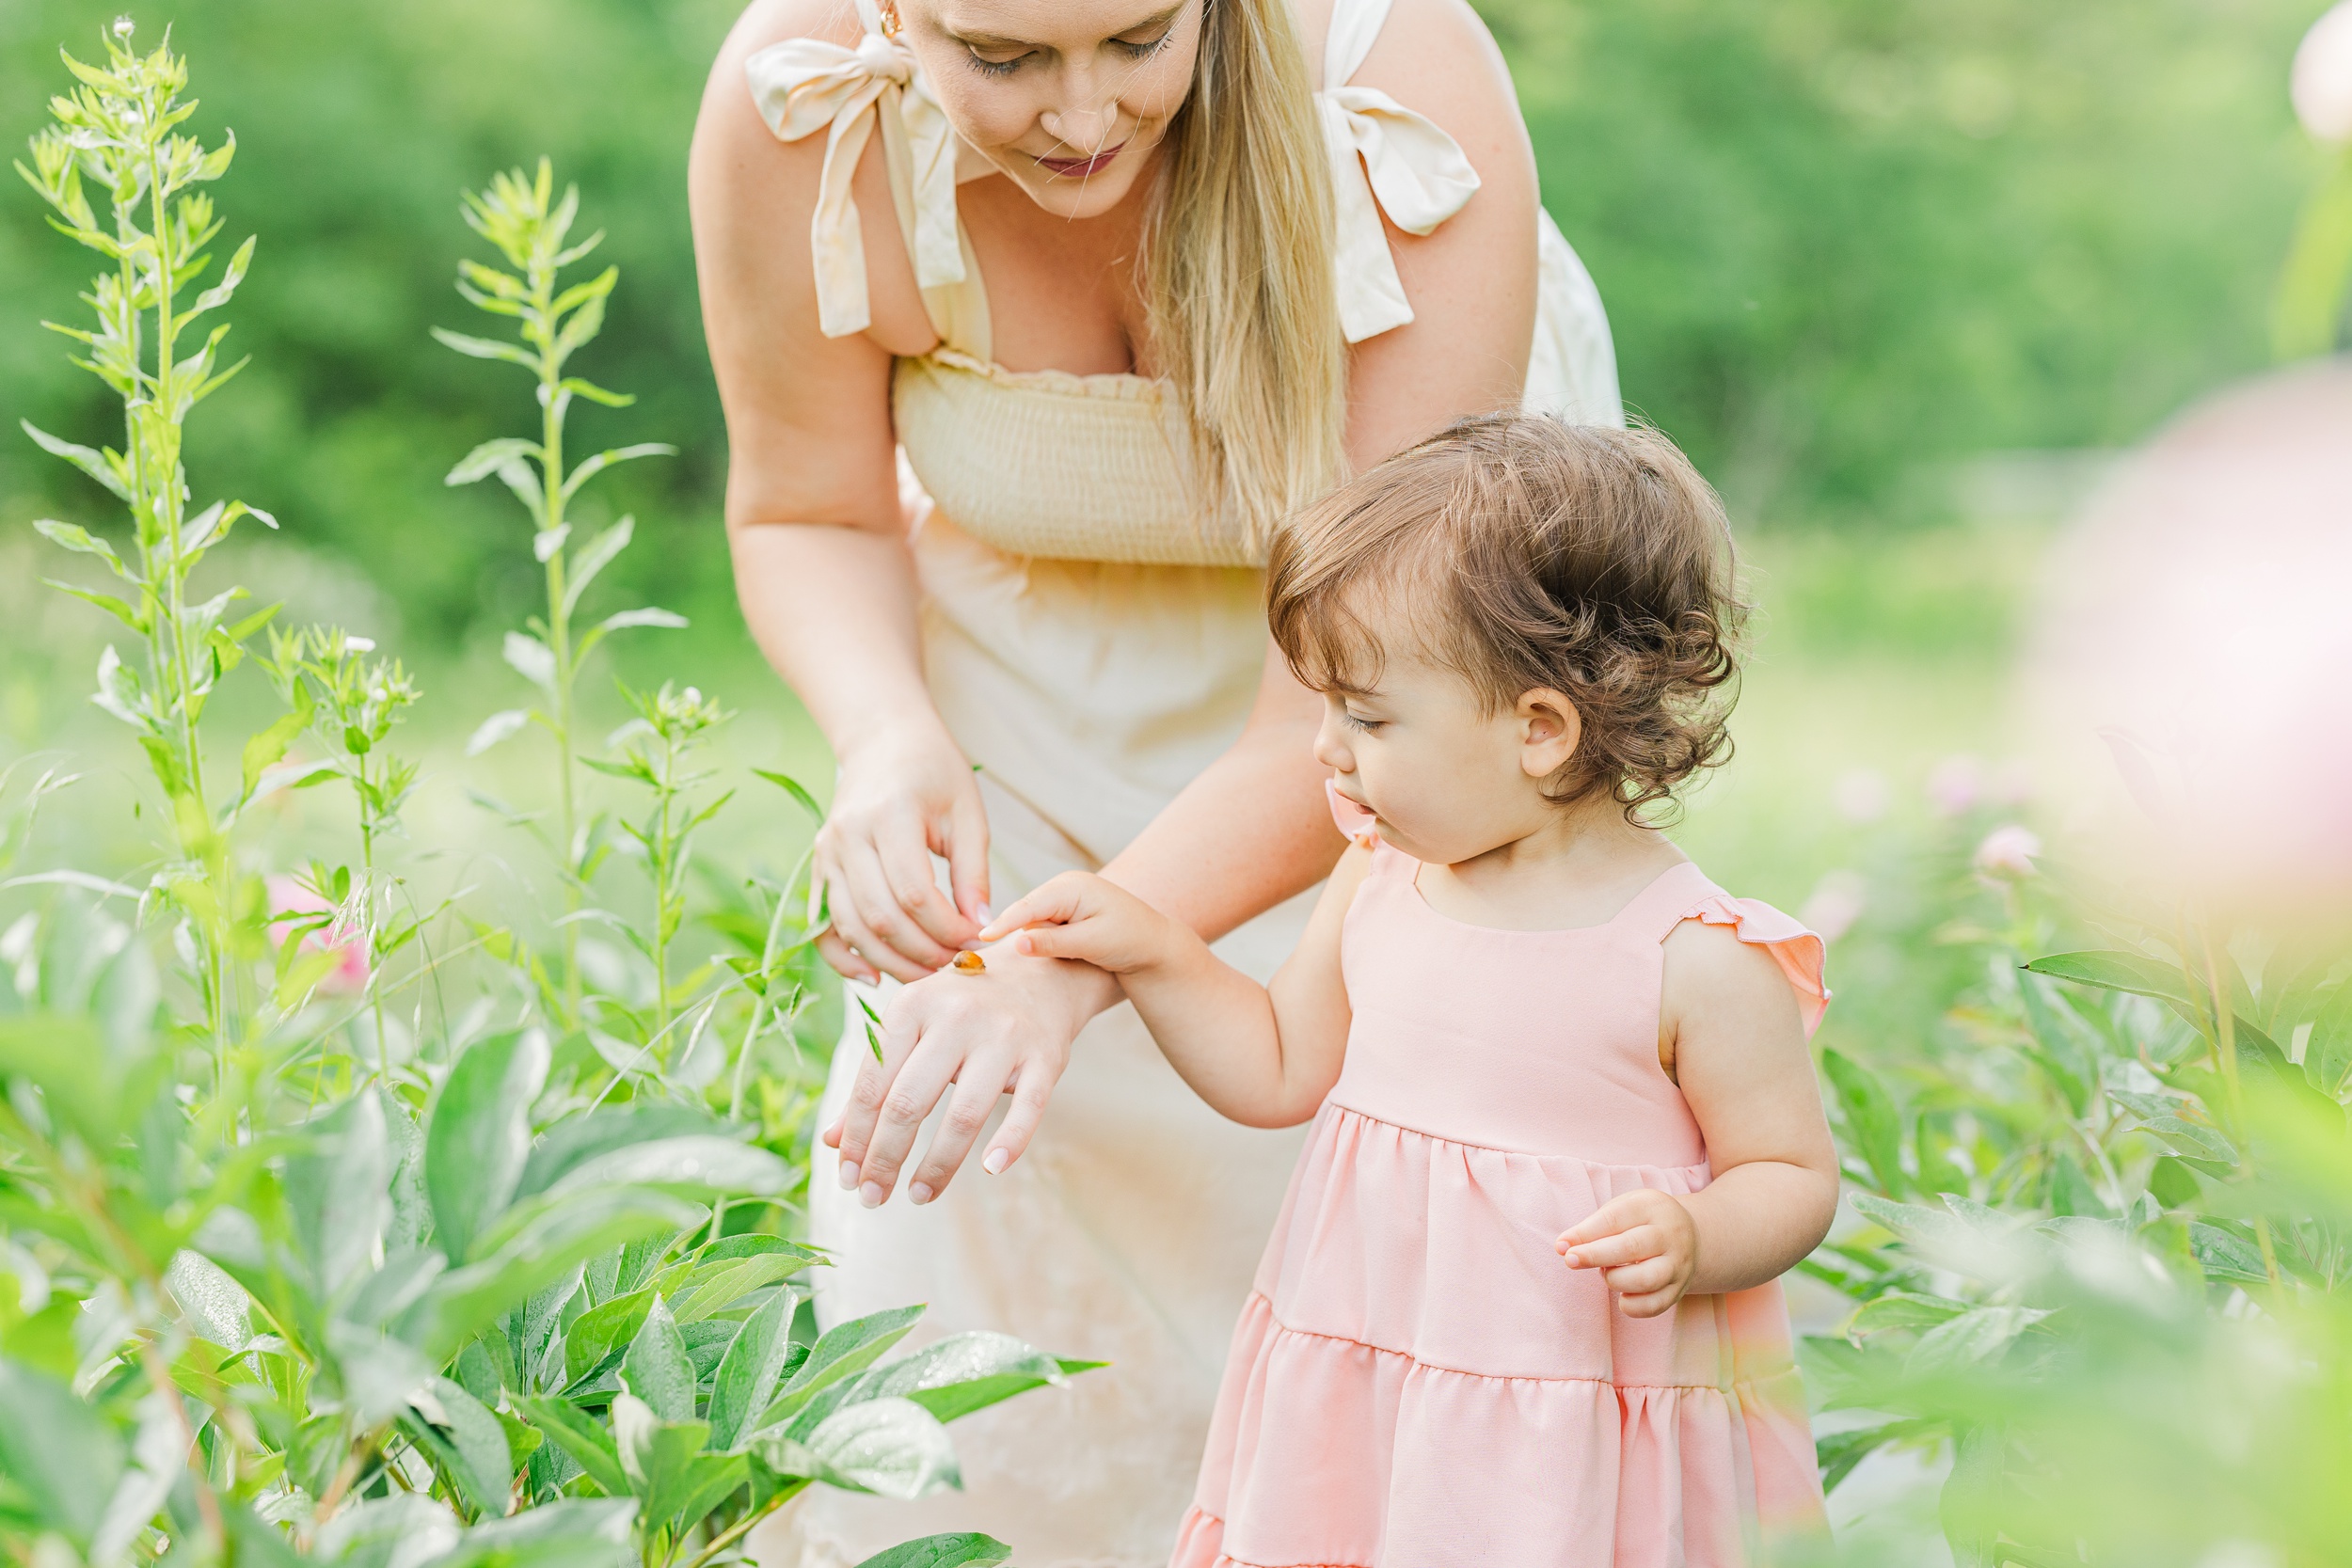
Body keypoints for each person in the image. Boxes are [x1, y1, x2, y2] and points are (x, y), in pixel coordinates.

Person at [689, 0, 1620, 1555]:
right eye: (1003, 59)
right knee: (960, 1135)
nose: (1079, 116)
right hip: (1028, 617)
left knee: (1364, 1157)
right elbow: (808, 506)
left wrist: (1068, 959)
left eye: (1135, 40)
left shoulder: (1399, 94)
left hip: (1409, 678)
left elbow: (1338, 712)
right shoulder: (797, 101)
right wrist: (886, 735)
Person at [977, 415, 1838, 1564]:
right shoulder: (1383, 876)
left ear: (1539, 729)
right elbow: (1278, 1060)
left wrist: (1697, 1232)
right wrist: (1155, 949)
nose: (1324, 750)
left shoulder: (1689, 953)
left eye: (1367, 716)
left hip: (1568, 1411)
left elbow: (1788, 1174)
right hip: (1371, 1375)